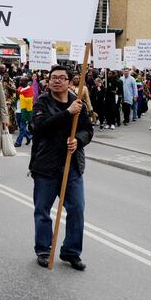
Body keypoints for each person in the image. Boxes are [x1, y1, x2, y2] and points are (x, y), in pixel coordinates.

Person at [29, 65, 94, 271]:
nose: (57, 81)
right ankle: (43, 250)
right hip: (45, 166)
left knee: (77, 209)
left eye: (61, 78)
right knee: (43, 210)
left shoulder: (78, 103)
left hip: (71, 165)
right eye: (53, 78)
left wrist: (79, 141)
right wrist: (67, 113)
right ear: (48, 82)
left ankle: (71, 252)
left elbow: (87, 130)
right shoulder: (42, 102)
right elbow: (40, 127)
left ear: (69, 81)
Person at [15, 77, 34, 147]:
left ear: (26, 82)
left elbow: (29, 100)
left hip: (25, 111)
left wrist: (20, 95)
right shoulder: (20, 88)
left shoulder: (29, 89)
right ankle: (29, 136)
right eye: (20, 81)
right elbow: (17, 97)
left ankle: (18, 142)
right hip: (18, 110)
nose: (20, 82)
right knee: (20, 127)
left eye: (22, 81)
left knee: (22, 127)